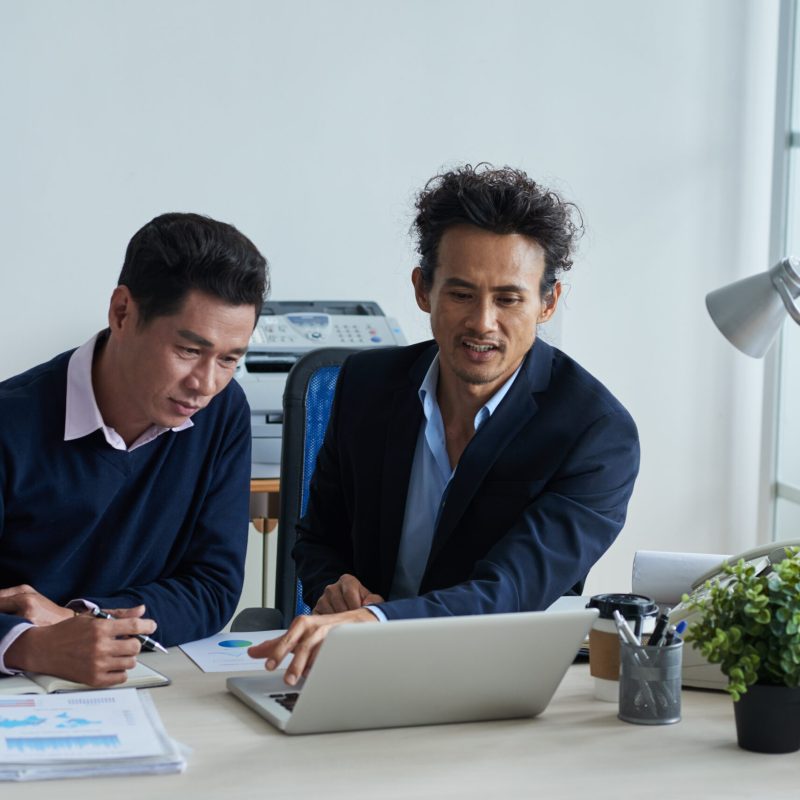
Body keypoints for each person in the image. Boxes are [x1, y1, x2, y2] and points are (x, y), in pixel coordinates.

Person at [249, 164, 639, 685]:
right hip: (357, 672)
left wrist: (376, 621)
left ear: (548, 303)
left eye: (508, 298)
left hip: (495, 682)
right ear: (423, 290)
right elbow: (317, 535)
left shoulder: (596, 433)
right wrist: (335, 585)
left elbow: (509, 593)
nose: (482, 322)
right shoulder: (366, 386)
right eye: (460, 294)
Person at [0, 212, 268, 686]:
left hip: (141, 677)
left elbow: (213, 586)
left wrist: (86, 622)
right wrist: (28, 644)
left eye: (229, 359)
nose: (205, 385)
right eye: (188, 350)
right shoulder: (10, 421)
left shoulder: (221, 413)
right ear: (122, 312)